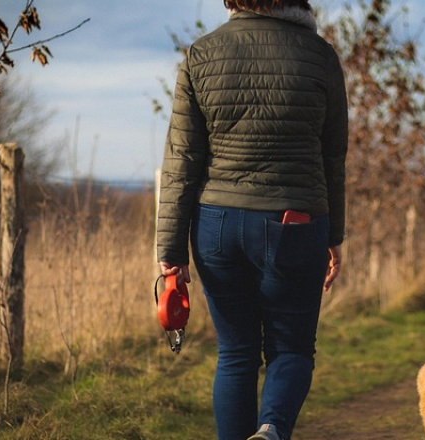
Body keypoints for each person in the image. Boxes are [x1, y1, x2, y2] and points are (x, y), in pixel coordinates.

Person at [155, 0, 348, 439]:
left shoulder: (202, 54)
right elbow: (333, 154)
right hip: (295, 224)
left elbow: (182, 159)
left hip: (216, 226)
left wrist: (170, 251)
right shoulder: (320, 56)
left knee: (236, 353)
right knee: (291, 348)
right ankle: (270, 429)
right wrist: (334, 233)